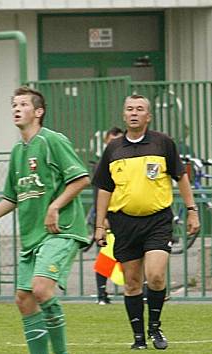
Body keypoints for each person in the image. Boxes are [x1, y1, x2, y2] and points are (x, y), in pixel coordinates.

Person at [0, 87, 90, 354]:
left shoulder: (52, 141)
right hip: (32, 237)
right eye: (14, 104)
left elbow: (81, 178)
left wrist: (55, 206)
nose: (16, 108)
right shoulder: (17, 151)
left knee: (41, 289)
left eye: (23, 104)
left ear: (38, 112)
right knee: (24, 299)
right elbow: (12, 198)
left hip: (61, 230)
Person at [92, 95, 200, 350]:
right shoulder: (114, 149)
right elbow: (104, 189)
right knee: (131, 282)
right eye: (129, 109)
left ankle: (155, 326)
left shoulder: (163, 143)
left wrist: (192, 210)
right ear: (124, 114)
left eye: (140, 109)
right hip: (124, 223)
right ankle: (139, 338)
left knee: (155, 275)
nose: (134, 113)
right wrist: (99, 224)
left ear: (148, 116)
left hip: (157, 221)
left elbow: (181, 177)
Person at [91, 126, 123, 305]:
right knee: (106, 256)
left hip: (126, 214)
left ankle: (143, 291)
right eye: (111, 141)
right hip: (109, 217)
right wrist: (101, 219)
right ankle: (101, 293)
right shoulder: (102, 164)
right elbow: (99, 192)